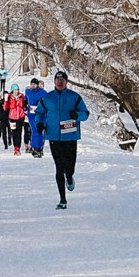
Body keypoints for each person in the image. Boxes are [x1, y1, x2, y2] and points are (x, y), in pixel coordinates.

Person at [42, 70, 90, 208]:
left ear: (66, 82)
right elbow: (39, 112)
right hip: (54, 136)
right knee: (59, 167)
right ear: (54, 82)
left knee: (69, 167)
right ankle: (62, 200)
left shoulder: (74, 97)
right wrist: (39, 123)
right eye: (57, 80)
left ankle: (69, 177)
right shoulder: (48, 98)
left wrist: (77, 115)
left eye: (62, 80)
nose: (60, 82)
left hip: (70, 136)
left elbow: (85, 113)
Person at [22, 77, 49, 157]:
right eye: (32, 84)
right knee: (34, 131)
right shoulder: (28, 91)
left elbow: (47, 102)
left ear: (37, 85)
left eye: (34, 84)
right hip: (31, 114)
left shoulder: (43, 92)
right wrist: (24, 105)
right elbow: (25, 100)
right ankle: (34, 148)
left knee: (39, 131)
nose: (33, 86)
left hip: (40, 114)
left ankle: (39, 148)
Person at [3, 88, 27, 153]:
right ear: (12, 90)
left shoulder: (21, 96)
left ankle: (18, 148)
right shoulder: (9, 97)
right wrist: (5, 101)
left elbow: (25, 105)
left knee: (19, 133)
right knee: (14, 133)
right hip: (12, 117)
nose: (16, 91)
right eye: (15, 90)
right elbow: (5, 108)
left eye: (17, 90)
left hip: (20, 117)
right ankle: (15, 146)